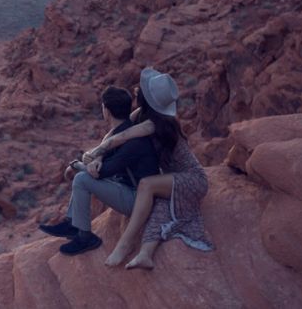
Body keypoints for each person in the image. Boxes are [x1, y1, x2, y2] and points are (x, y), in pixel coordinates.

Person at [85, 67, 213, 269]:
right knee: (158, 213)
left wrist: (93, 153)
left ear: (146, 97)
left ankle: (124, 245)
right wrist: (99, 156)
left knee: (146, 185)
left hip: (191, 180)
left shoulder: (153, 124)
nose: (136, 89)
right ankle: (145, 255)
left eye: (141, 89)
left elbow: (122, 137)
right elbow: (112, 134)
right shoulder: (141, 114)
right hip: (171, 178)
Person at [39, 86, 160, 255]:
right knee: (83, 175)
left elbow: (101, 173)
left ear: (107, 111)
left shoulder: (132, 142)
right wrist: (93, 159)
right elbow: (104, 153)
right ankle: (73, 223)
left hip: (138, 199)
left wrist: (76, 165)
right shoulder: (125, 129)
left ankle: (85, 237)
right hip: (129, 187)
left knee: (82, 179)